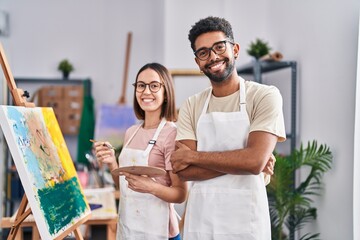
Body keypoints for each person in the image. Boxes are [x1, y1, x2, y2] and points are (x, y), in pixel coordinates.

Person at [170, 16, 286, 240]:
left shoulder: (264, 96)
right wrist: (245, 160)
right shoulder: (191, 106)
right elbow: (184, 171)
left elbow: (254, 162)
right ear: (198, 62)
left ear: (235, 49)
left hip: (247, 224)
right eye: (203, 52)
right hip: (201, 223)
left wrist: (194, 156)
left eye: (219, 47)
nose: (213, 56)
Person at [94, 62, 187, 240]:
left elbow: (181, 193)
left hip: (160, 232)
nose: (146, 92)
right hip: (130, 228)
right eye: (141, 85)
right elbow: (123, 185)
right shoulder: (131, 131)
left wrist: (151, 187)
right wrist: (113, 162)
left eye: (154, 86)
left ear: (165, 92)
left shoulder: (171, 134)